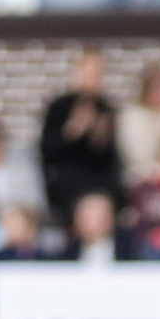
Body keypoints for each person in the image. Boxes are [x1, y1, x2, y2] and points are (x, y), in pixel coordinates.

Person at [40, 49, 121, 225]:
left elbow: (109, 160)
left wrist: (99, 139)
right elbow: (48, 150)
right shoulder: (59, 108)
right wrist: (74, 131)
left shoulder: (105, 109)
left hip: (98, 184)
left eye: (97, 73)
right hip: (67, 186)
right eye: (88, 71)